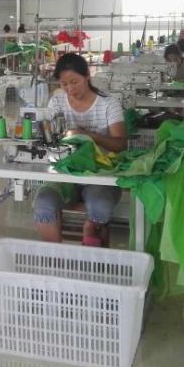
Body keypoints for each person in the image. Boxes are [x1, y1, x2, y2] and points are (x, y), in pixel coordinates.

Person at [34, 53, 127, 247]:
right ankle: (53, 258)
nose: (70, 89)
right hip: (64, 174)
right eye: (64, 84)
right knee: (44, 202)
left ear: (87, 76)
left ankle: (90, 244)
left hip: (99, 173)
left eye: (74, 82)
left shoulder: (108, 104)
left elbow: (120, 145)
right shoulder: (57, 103)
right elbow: (49, 139)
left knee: (100, 206)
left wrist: (87, 135)